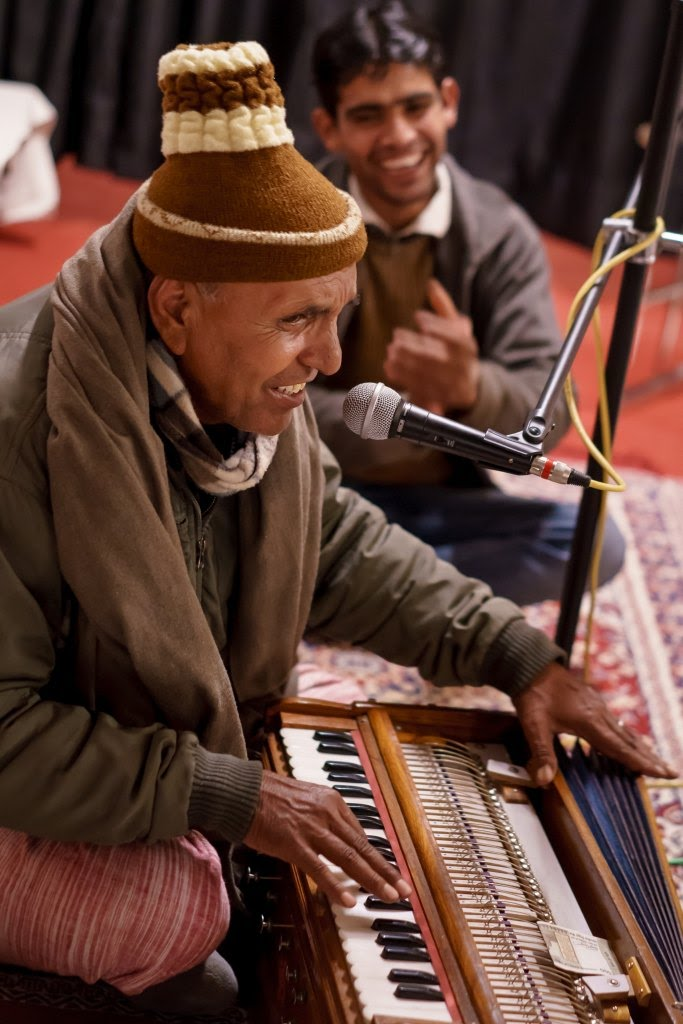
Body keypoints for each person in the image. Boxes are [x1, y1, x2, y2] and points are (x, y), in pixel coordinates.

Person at [0, 39, 673, 1021]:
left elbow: (338, 547)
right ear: (175, 308)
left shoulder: (233, 391)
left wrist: (511, 651)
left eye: (337, 317)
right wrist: (219, 792)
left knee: (300, 791)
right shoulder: (21, 430)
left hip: (90, 750)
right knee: (186, 928)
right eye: (297, 321)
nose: (328, 359)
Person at [309, 0, 625, 606]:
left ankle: (355, 594)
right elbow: (256, 400)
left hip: (442, 504)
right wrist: (409, 426)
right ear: (330, 128)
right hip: (319, 490)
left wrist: (470, 387)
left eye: (415, 107)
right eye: (369, 115)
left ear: (449, 102)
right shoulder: (296, 221)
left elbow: (550, 411)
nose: (399, 136)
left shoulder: (500, 231)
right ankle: (400, 596)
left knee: (594, 545)